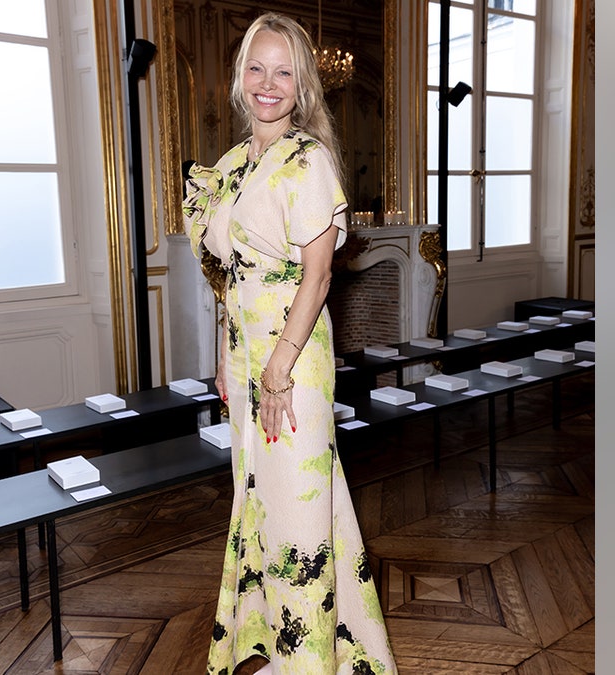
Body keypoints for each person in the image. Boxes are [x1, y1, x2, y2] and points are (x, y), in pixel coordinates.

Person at [182, 12, 398, 675]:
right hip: (247, 360)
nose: (267, 84)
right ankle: (298, 647)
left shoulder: (309, 161)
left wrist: (277, 369)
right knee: (265, 503)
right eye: (256, 67)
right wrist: (231, 364)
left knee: (299, 512)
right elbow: (234, 281)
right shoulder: (233, 165)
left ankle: (310, 663)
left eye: (283, 71)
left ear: (303, 83)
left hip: (293, 360)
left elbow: (319, 274)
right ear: (239, 78)